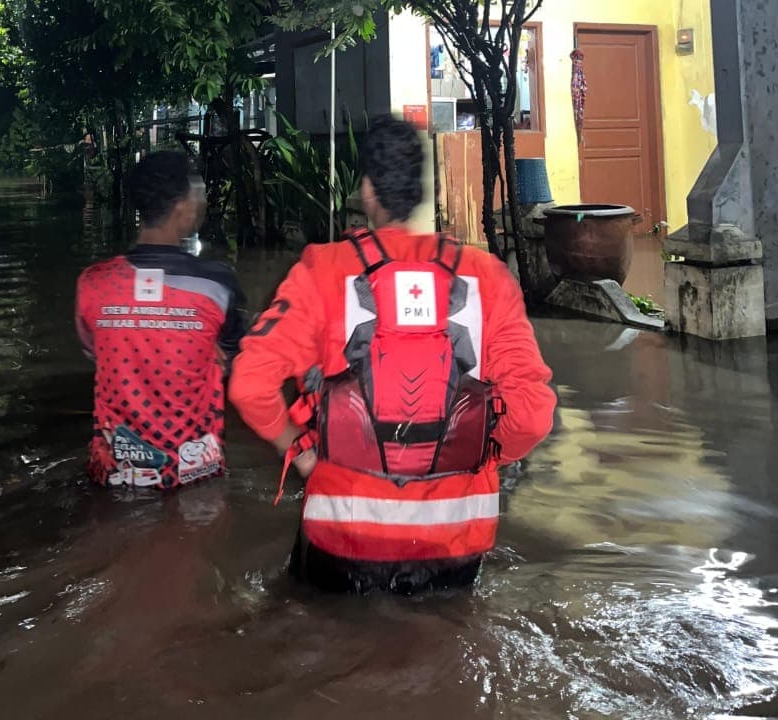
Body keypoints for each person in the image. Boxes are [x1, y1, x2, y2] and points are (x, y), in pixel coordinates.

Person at [228, 115, 556, 594]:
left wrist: (300, 454)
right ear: (421, 191)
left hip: (343, 536)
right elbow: (532, 417)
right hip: (457, 543)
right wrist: (477, 456)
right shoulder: (487, 275)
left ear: (366, 190)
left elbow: (248, 383)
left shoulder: (323, 270)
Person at [76, 151, 246, 490]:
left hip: (113, 474)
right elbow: (233, 362)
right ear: (182, 208)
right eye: (198, 192)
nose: (204, 200)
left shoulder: (93, 284)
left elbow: (96, 351)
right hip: (191, 475)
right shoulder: (217, 285)